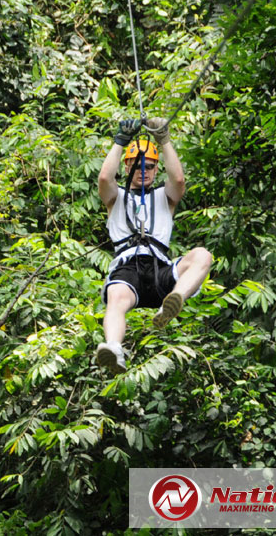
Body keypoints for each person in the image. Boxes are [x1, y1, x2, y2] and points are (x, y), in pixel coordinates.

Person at [94, 117, 212, 374]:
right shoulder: (116, 196)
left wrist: (164, 139)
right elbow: (104, 178)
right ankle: (114, 348)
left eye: (149, 166)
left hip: (160, 268)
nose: (143, 170)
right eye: (137, 166)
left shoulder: (164, 197)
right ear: (127, 167)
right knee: (116, 297)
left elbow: (178, 180)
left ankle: (174, 300)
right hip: (128, 267)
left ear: (157, 169)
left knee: (202, 255)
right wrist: (120, 141)